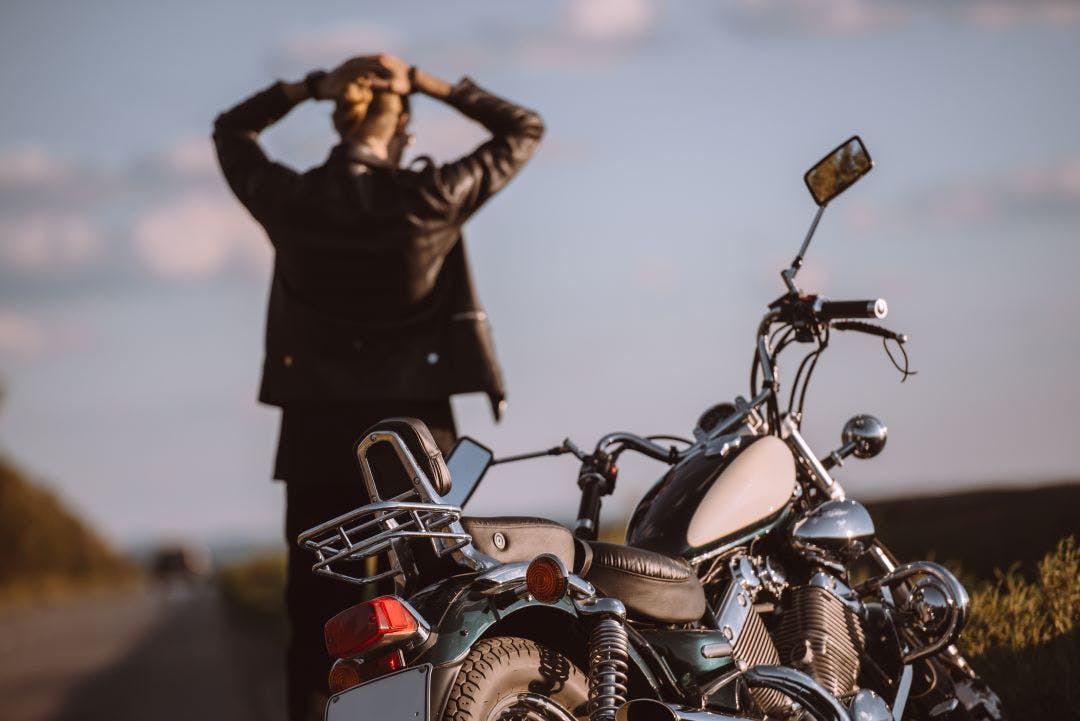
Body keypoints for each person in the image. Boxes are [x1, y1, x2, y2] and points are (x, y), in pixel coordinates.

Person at [212, 53, 544, 721]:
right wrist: (425, 80)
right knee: (428, 611)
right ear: (402, 133)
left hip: (314, 438)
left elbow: (230, 132)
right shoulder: (429, 196)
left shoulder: (294, 200)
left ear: (340, 124)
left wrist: (308, 87)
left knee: (315, 622)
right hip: (414, 443)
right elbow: (523, 129)